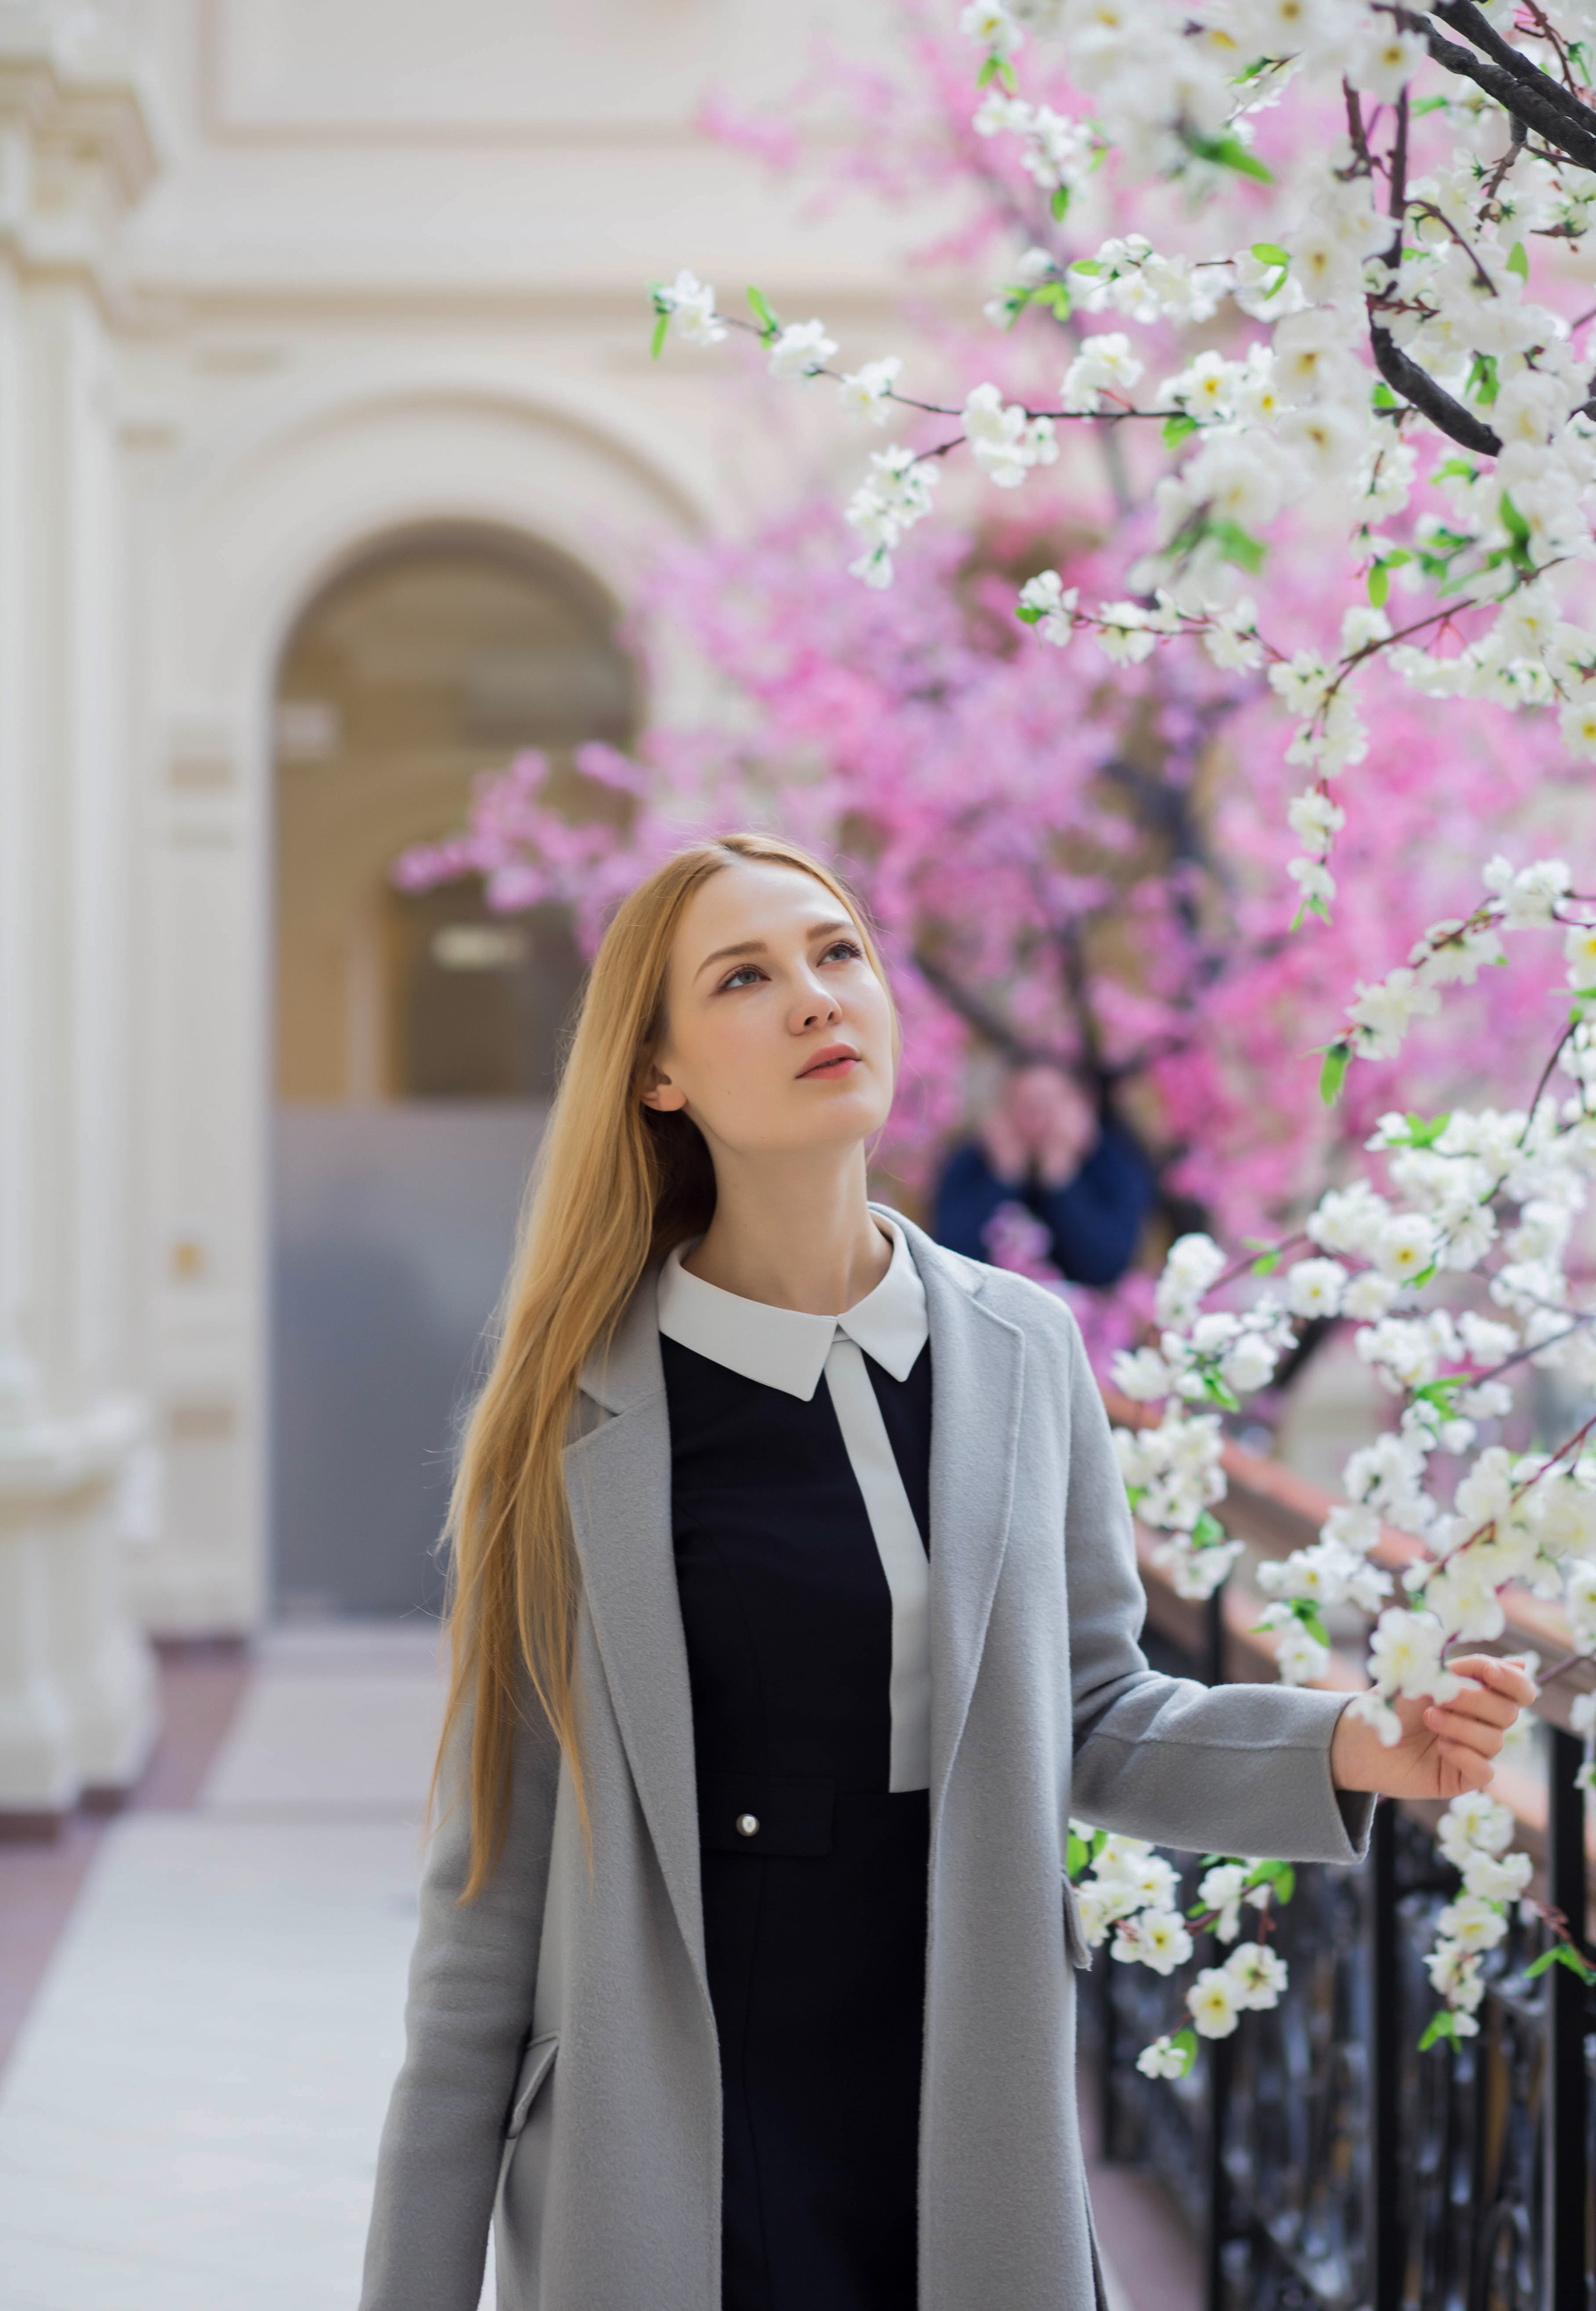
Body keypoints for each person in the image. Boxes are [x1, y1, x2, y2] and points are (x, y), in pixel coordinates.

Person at [358, 833, 1533, 2311]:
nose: (811, 997)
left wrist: (1354, 1742)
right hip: (666, 2139)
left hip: (951, 2097)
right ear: (656, 1073)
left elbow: (1093, 1709)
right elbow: (484, 1911)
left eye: (835, 952)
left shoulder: (1022, 1349)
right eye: (744, 975)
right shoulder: (568, 1417)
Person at [934, 1059, 1155, 1286]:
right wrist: (1003, 1179)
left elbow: (1106, 1268)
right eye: (1026, 1106)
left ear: (1082, 1105)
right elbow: (953, 1262)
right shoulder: (973, 1162)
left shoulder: (1114, 1161)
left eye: (1049, 1105)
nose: (1039, 1120)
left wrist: (1062, 1180)